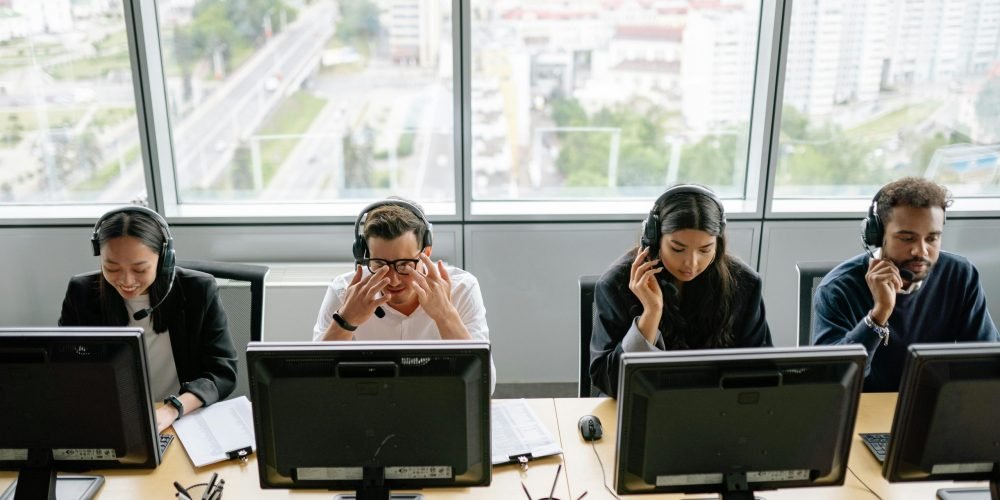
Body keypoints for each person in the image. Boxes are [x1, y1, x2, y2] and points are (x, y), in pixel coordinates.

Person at [59, 206, 237, 432]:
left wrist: (173, 409)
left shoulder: (198, 291)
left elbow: (222, 372)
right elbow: (65, 368)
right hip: (112, 418)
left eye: (140, 269)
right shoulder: (81, 293)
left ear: (164, 260)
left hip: (182, 417)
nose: (126, 280)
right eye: (111, 267)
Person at [814, 177, 999, 391]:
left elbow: (987, 361)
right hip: (865, 415)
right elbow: (830, 382)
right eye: (907, 238)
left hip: (935, 412)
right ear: (878, 236)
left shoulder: (959, 275)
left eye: (932, 238)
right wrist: (879, 315)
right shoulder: (837, 289)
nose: (921, 251)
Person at [590, 185, 772, 397]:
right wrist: (650, 315)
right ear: (654, 239)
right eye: (677, 249)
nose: (691, 263)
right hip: (643, 405)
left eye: (705, 250)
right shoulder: (616, 284)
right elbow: (611, 383)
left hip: (715, 409)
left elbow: (762, 372)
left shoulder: (745, 284)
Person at [313, 198, 496, 392]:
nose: (393, 280)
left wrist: (445, 315)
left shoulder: (462, 289)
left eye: (405, 265)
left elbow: (485, 387)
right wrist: (345, 321)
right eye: (380, 265)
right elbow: (313, 382)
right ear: (364, 255)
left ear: (426, 251)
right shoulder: (343, 293)